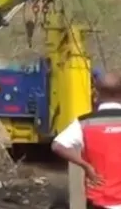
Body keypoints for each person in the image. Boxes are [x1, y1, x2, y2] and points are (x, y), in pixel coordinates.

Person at [51, 73, 121, 209]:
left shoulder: (85, 122)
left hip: (99, 200)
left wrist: (85, 166)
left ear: (96, 93)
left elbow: (57, 145)